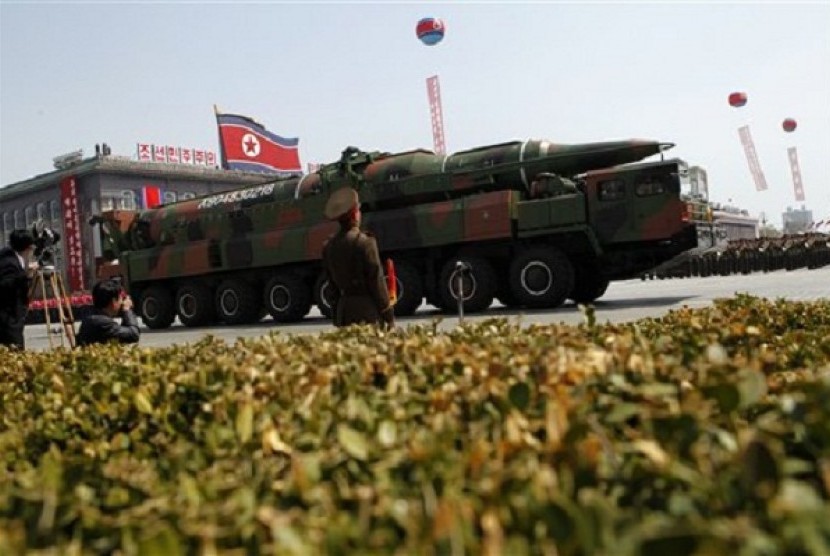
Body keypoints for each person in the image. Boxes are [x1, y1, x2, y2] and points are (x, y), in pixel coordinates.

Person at [322, 187, 395, 329]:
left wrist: (337, 314)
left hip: (343, 313)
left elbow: (332, 288)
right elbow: (377, 282)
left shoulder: (329, 247)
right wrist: (388, 315)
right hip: (367, 312)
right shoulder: (365, 243)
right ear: (355, 214)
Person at [76, 279, 140, 347]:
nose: (121, 302)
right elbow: (133, 334)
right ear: (113, 302)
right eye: (120, 299)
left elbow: (121, 336)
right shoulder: (101, 323)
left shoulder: (92, 316)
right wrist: (127, 310)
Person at [0, 229, 36, 349]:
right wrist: (25, 275)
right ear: (28, 248)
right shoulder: (9, 262)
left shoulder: (8, 257)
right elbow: (5, 286)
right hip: (8, 321)